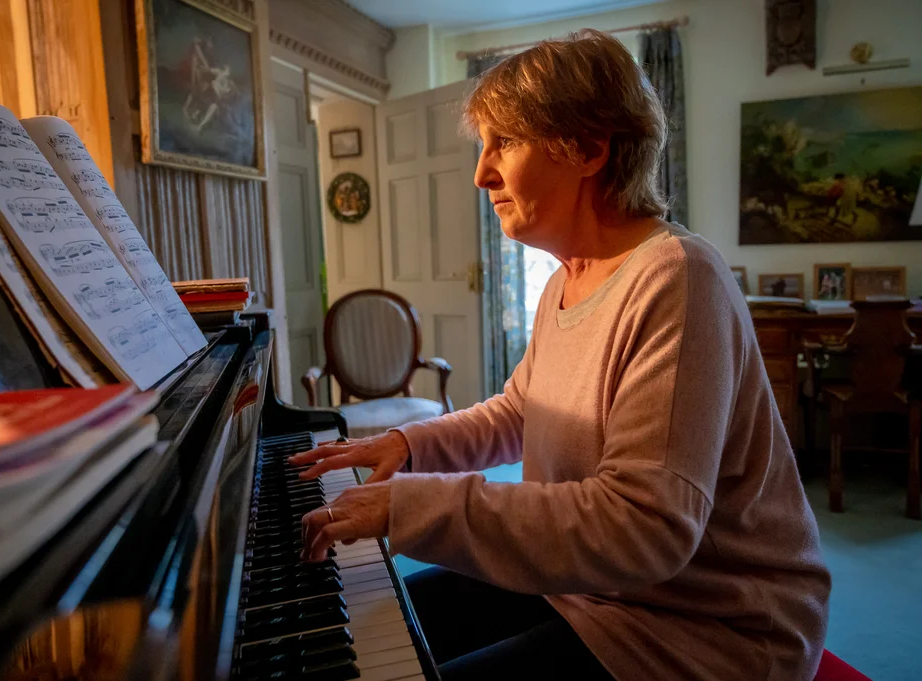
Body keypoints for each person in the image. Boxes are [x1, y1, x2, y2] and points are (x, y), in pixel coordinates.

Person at [292, 30, 830, 681]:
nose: (480, 172)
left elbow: (646, 527)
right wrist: (409, 446)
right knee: (373, 621)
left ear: (590, 147)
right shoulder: (565, 281)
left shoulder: (679, 277)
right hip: (591, 587)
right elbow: (522, 410)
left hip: (704, 629)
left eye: (505, 143)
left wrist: (412, 504)